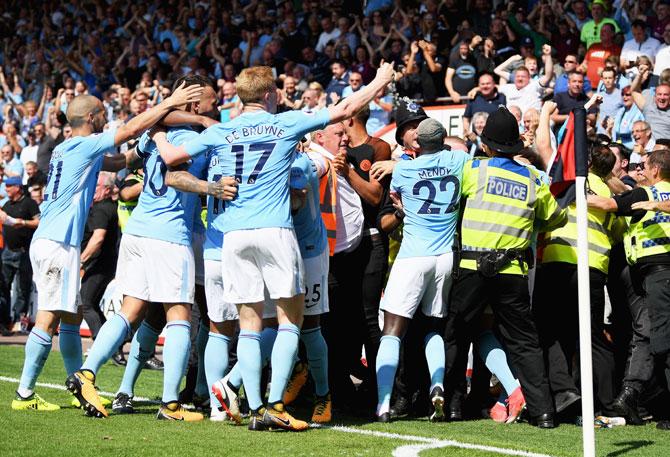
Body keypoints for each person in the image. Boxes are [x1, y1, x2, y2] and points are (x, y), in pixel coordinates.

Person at [152, 64, 396, 431]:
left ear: (239, 97)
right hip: (274, 231)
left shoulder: (222, 130)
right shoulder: (285, 124)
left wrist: (156, 133)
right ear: (271, 95)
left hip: (233, 237)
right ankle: (276, 404)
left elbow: (171, 161)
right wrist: (380, 81)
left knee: (248, 327)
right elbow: (345, 110)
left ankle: (252, 407)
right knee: (289, 323)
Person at [11, 82, 202, 412]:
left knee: (71, 317)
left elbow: (117, 162)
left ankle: (79, 385)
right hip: (57, 241)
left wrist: (142, 152)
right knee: (48, 318)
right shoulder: (84, 145)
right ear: (90, 117)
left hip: (55, 240)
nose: (105, 118)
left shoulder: (67, 148)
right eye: (101, 113)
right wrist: (169, 102)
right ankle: (25, 395)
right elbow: (129, 128)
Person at [69, 76, 234, 421]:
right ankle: (171, 404)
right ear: (191, 103)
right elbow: (175, 174)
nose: (215, 105)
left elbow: (142, 148)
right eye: (209, 101)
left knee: (129, 312)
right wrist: (210, 187)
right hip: (169, 235)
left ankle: (87, 373)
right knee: (178, 317)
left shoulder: (152, 134)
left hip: (139, 231)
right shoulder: (192, 137)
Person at [444, 106, 568, 429]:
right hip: (513, 272)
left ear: (485, 145)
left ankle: (454, 407)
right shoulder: (531, 179)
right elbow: (557, 217)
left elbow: (450, 202)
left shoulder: (474, 170)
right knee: (524, 342)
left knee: (458, 335)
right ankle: (543, 412)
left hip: (471, 267)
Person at [375, 118, 470, 423]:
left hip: (413, 255)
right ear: (443, 140)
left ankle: (383, 403)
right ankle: (438, 385)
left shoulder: (403, 169)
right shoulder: (459, 159)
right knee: (433, 327)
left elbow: (397, 200)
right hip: (445, 256)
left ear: (416, 144)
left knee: (392, 331)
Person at [534, 145, 625, 419]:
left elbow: (546, 214)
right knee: (592, 337)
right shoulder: (609, 193)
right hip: (594, 268)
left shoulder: (565, 183)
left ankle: (564, 393)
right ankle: (607, 404)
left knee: (551, 333)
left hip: (558, 262)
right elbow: (619, 231)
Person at [587, 148, 670, 432]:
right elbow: (623, 188)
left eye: (643, 166)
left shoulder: (648, 194)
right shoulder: (655, 193)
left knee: (658, 340)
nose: (639, 171)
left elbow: (610, 203)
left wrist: (575, 195)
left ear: (655, 171)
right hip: (653, 273)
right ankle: (644, 400)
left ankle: (640, 398)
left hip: (657, 274)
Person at [79, 173, 119, 342]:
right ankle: (111, 344)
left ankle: (102, 344)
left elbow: (98, 238)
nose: (93, 189)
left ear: (107, 190)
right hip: (106, 264)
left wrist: (81, 260)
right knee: (92, 303)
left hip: (101, 264)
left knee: (86, 303)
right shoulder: (109, 206)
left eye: (97, 186)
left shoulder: (101, 209)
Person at [0, 176, 39, 332]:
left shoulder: (29, 203)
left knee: (23, 288)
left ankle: (18, 321)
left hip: (24, 252)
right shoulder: (7, 205)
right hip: (8, 251)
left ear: (17, 187)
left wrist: (22, 222)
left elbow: (39, 222)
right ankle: (3, 323)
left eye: (9, 186)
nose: (7, 189)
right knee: (3, 288)